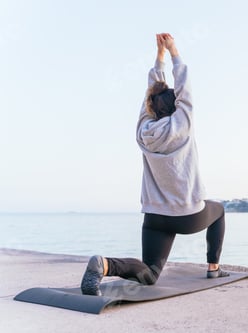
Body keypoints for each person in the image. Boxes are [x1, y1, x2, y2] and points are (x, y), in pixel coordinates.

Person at [80, 33, 229, 296]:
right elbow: (186, 89)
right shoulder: (182, 125)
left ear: (151, 107)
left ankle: (104, 265)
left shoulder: (143, 130)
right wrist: (174, 52)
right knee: (219, 210)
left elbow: (154, 93)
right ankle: (213, 267)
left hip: (155, 217)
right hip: (187, 215)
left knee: (148, 274)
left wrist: (160, 56)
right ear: (177, 107)